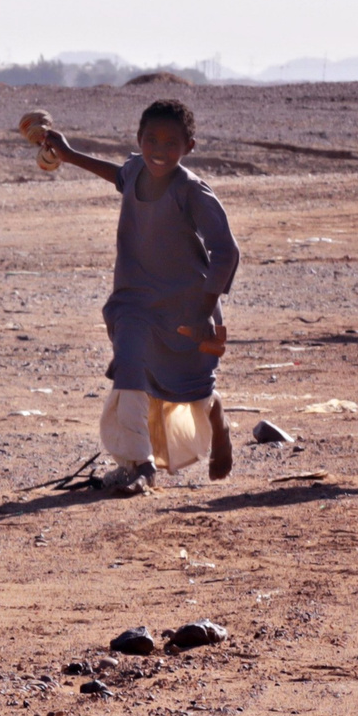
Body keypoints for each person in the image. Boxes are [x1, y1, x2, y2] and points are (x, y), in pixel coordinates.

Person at [38, 99, 240, 495]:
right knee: (130, 370)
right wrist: (69, 154)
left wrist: (203, 312)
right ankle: (138, 465)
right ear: (138, 140)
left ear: (189, 147)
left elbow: (227, 252)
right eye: (151, 140)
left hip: (186, 304)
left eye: (171, 143)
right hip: (133, 301)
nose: (159, 151)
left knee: (186, 386)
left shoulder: (192, 192)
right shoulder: (135, 172)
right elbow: (118, 175)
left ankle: (218, 420)